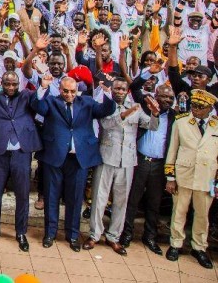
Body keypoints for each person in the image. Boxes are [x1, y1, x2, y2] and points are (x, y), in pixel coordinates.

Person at [35, 75, 116, 251]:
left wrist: (108, 92)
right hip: (54, 157)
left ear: (77, 90)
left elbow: (106, 110)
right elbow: (38, 107)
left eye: (72, 91)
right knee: (51, 196)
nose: (69, 95)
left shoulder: (87, 102)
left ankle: (72, 235)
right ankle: (50, 233)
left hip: (79, 159)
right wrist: (42, 87)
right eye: (65, 91)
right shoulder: (51, 101)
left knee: (75, 198)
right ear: (60, 89)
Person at [84, 78, 159, 256]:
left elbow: (151, 126)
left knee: (121, 200)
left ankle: (113, 237)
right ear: (112, 90)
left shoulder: (136, 107)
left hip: (127, 160)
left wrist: (155, 114)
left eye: (122, 89)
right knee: (99, 198)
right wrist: (125, 114)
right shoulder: (106, 106)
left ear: (127, 91)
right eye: (116, 88)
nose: (119, 91)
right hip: (106, 158)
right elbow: (106, 124)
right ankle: (94, 235)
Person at [0, 63, 40, 251]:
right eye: (7, 84)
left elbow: (40, 104)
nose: (11, 87)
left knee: (22, 194)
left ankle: (21, 232)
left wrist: (42, 83)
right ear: (1, 83)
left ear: (19, 84)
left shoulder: (26, 96)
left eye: (14, 84)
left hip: (21, 152)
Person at [164, 88, 218, 269]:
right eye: (194, 105)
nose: (195, 109)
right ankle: (176, 243)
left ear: (210, 108)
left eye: (200, 107)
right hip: (184, 175)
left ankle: (199, 247)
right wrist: (170, 178)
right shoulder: (181, 122)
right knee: (179, 212)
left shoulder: (216, 125)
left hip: (206, 178)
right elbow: (172, 151)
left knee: (202, 216)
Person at [120, 84, 177, 254]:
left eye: (170, 98)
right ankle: (126, 233)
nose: (167, 100)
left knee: (154, 202)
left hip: (160, 164)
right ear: (155, 95)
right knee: (133, 199)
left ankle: (150, 236)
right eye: (163, 96)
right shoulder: (145, 108)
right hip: (140, 160)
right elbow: (135, 86)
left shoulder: (175, 117)